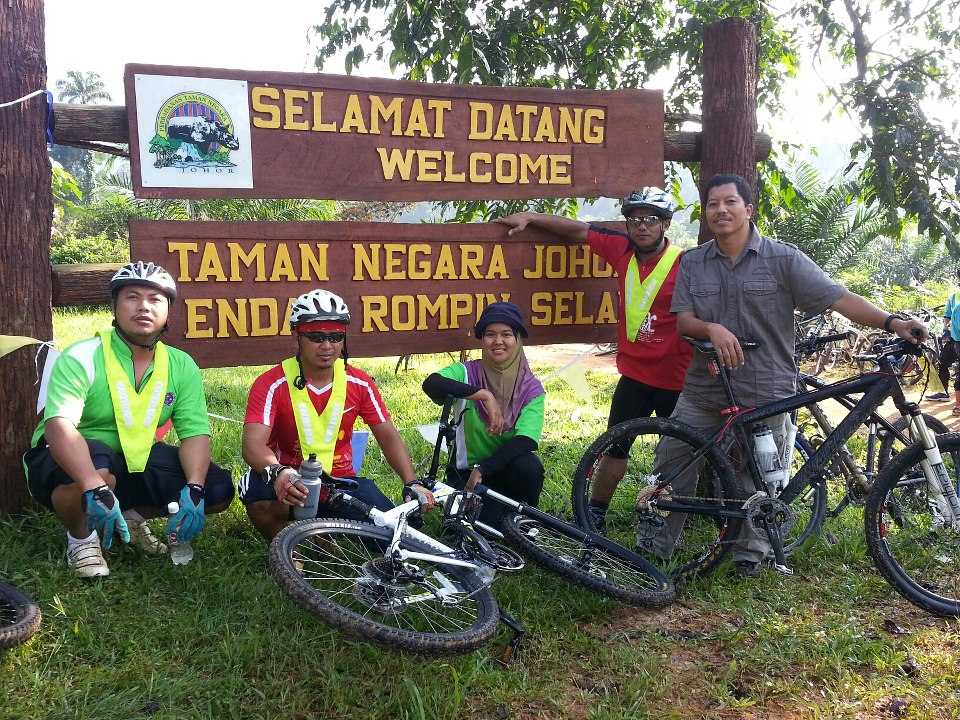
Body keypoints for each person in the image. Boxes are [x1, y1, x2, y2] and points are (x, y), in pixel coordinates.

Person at [649, 173, 928, 577]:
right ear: (705, 211)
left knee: (759, 478)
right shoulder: (693, 262)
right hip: (703, 389)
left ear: (748, 209)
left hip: (767, 388)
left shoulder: (784, 259)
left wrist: (891, 321)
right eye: (713, 204)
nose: (721, 210)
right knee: (672, 464)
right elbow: (685, 321)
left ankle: (751, 556)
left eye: (730, 202)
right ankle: (653, 549)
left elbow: (839, 297)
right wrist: (712, 328)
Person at [22, 261, 235, 579]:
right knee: (99, 466)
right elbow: (59, 426)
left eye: (155, 299)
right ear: (114, 306)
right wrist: (94, 487)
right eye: (132, 297)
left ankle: (129, 518)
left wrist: (194, 487)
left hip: (134, 457)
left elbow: (194, 434)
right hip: (66, 457)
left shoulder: (181, 364)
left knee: (216, 489)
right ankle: (81, 539)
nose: (143, 307)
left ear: (167, 311)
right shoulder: (82, 355)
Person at [496, 188, 692, 530]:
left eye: (650, 220)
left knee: (675, 456)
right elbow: (577, 230)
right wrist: (531, 217)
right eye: (634, 220)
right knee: (615, 446)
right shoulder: (622, 250)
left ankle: (669, 520)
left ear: (665, 224)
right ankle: (595, 512)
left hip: (676, 378)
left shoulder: (686, 263)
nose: (642, 227)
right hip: (633, 376)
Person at [238, 289, 434, 541]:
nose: (327, 346)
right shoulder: (271, 383)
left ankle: (325, 532)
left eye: (335, 337)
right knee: (259, 499)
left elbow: (387, 435)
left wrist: (411, 482)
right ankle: (286, 545)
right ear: (296, 337)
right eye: (316, 337)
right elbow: (252, 443)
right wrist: (278, 472)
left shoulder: (360, 382)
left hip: (341, 483)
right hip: (289, 479)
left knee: (398, 533)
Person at [421, 302, 546, 528]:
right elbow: (432, 383)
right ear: (482, 340)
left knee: (530, 466)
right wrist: (482, 395)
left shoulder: (531, 388)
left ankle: (525, 521)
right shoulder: (466, 373)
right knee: (482, 531)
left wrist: (484, 469)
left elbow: (526, 440)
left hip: (502, 472)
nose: (498, 341)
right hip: (465, 476)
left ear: (518, 340)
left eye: (506, 334)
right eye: (490, 335)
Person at [929, 271, 960, 409]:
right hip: (955, 337)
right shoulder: (954, 297)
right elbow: (947, 315)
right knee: (943, 362)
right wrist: (945, 329)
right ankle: (943, 393)